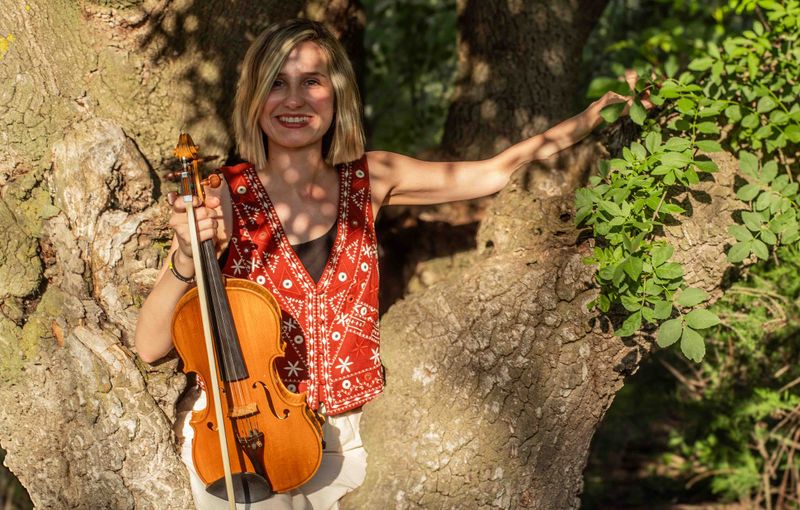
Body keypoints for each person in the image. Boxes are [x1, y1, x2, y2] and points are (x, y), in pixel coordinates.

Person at [133, 17, 651, 510]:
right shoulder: (220, 195)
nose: (294, 100)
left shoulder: (371, 177)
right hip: (243, 439)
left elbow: (495, 172)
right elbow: (151, 345)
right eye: (277, 84)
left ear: (337, 95)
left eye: (311, 82)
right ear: (253, 98)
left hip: (351, 438)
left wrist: (592, 119)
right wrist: (185, 257)